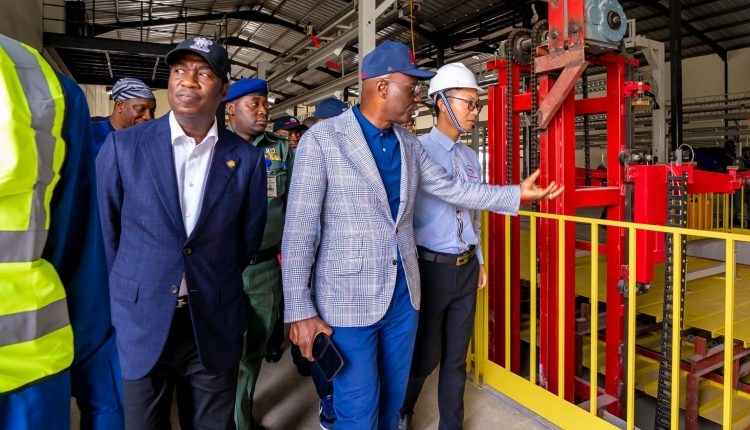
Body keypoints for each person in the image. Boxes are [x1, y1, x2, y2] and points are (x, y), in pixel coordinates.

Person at [281, 40, 563, 429]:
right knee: (358, 408)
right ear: (382, 87)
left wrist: (515, 194)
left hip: (402, 299)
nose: (417, 99)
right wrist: (300, 309)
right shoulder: (323, 142)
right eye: (411, 88)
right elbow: (298, 233)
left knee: (393, 402)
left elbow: (455, 190)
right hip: (347, 303)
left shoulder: (409, 144)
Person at [96, 37, 267, 429]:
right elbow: (106, 234)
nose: (187, 81)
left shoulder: (247, 161)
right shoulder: (124, 148)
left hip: (210, 321)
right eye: (179, 71)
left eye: (203, 73)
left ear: (223, 89)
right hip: (139, 321)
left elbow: (246, 240)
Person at [0, 34, 124, 430]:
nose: (144, 116)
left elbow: (78, 253)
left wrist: (103, 406)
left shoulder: (42, 86)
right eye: (139, 109)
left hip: (29, 387)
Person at [399, 62, 488, 430]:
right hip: (430, 268)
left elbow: (474, 215)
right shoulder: (416, 153)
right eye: (468, 102)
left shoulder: (470, 159)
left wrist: (479, 258)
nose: (474, 111)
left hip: (465, 268)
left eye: (476, 104)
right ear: (442, 103)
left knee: (456, 358)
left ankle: (450, 425)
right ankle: (402, 410)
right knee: (425, 355)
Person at [223, 77, 295, 430]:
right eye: (255, 103)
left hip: (266, 268)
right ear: (231, 109)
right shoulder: (213, 149)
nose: (264, 110)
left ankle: (242, 415)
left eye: (266, 103)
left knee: (254, 352)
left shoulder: (280, 151)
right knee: (225, 353)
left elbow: (297, 207)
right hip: (223, 270)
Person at [91, 77, 156, 153]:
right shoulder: (88, 131)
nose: (149, 117)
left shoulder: (148, 138)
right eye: (140, 109)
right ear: (119, 105)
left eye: (152, 111)